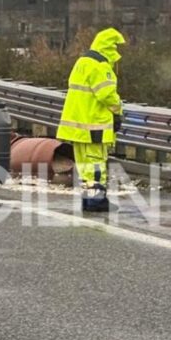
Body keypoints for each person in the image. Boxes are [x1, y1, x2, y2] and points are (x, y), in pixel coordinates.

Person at [56, 28, 126, 213]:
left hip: (77, 126)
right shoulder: (101, 66)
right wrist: (118, 111)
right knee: (95, 164)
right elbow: (107, 95)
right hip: (94, 125)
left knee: (85, 166)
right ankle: (96, 202)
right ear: (109, 48)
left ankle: (89, 200)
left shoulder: (82, 62)